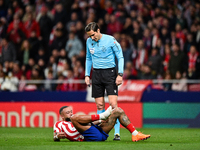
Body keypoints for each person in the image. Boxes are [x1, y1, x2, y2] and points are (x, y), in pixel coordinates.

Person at [84, 22, 124, 140]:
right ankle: (101, 132)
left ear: (98, 30)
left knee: (113, 105)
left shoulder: (110, 40)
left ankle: (117, 133)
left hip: (110, 73)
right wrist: (87, 75)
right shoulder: (88, 41)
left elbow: (120, 56)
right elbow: (88, 58)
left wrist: (120, 74)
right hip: (96, 74)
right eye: (90, 35)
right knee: (100, 104)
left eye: (93, 35)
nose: (92, 38)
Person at [53, 106, 150, 142]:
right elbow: (54, 137)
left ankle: (135, 134)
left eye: (71, 111)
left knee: (118, 110)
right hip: (90, 136)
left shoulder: (76, 118)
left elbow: (88, 123)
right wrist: (57, 136)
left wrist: (99, 122)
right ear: (62, 116)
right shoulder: (59, 124)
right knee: (75, 118)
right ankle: (102, 115)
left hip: (99, 131)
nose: (70, 113)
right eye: (67, 113)